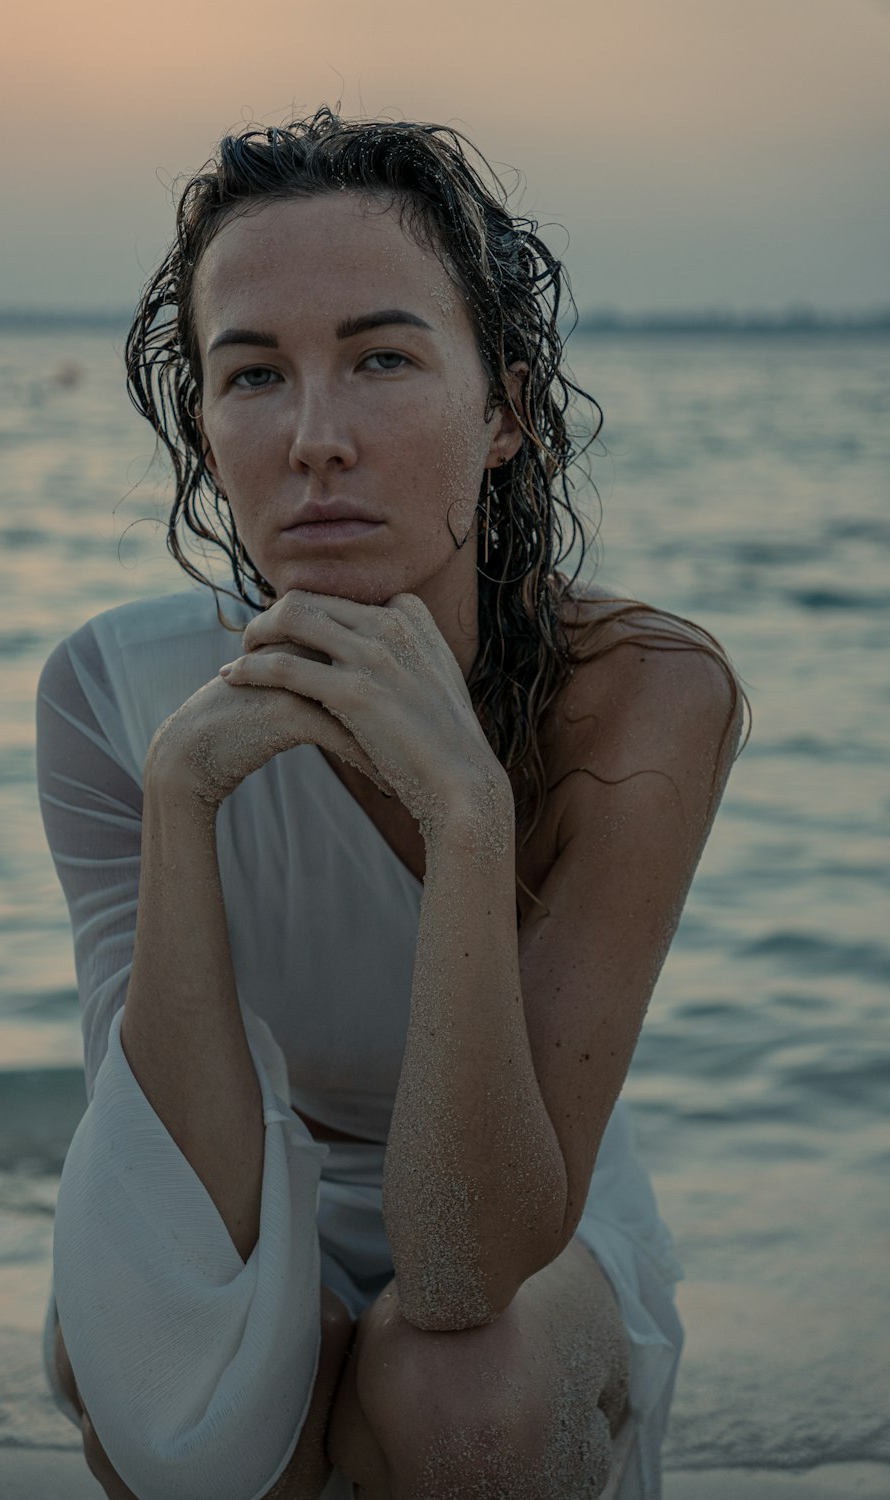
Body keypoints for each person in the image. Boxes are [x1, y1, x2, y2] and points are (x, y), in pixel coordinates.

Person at [37, 107, 749, 1500]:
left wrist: (470, 815)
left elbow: (468, 1258)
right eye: (253, 376)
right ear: (204, 426)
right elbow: (189, 1223)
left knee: (456, 1385)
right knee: (161, 1389)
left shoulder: (645, 697)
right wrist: (184, 801)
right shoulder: (116, 694)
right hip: (256, 1212)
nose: (314, 439)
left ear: (506, 413)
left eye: (381, 359)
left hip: (519, 1239)